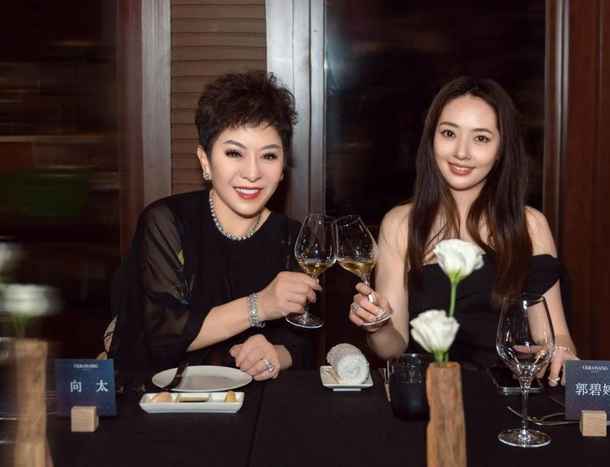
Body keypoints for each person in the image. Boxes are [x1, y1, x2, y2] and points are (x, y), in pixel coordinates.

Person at [348, 77, 578, 386]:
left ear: (501, 149)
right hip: (432, 397)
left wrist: (562, 352)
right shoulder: (401, 224)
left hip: (508, 397)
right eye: (449, 133)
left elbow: (554, 336)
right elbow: (393, 349)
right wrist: (377, 326)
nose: (461, 152)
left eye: (481, 138)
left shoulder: (529, 224)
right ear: (431, 138)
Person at [108, 70, 320, 381]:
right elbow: (162, 333)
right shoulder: (167, 221)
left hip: (252, 401)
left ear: (283, 165)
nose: (252, 173)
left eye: (269, 156)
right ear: (205, 160)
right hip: (162, 400)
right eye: (234, 153)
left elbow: (300, 344)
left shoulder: (296, 239)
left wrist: (275, 355)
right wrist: (259, 306)